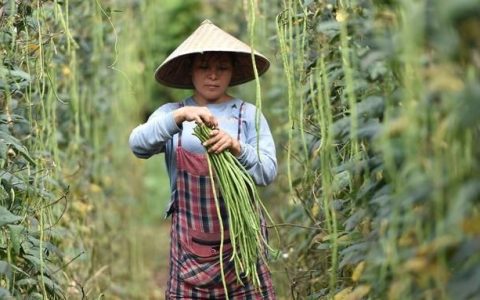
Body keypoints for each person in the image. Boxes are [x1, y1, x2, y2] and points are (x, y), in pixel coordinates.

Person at [129, 19, 277, 299]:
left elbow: (268, 172)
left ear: (233, 72)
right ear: (190, 71)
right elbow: (138, 144)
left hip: (243, 244)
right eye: (204, 67)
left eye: (222, 67)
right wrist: (180, 117)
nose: (213, 75)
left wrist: (237, 147)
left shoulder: (248, 115)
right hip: (190, 247)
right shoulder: (173, 113)